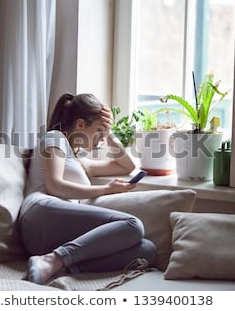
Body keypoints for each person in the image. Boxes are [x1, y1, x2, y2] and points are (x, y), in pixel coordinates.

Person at [19, 93, 156, 285]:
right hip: (40, 214)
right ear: (81, 125)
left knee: (146, 250)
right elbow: (55, 186)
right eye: (99, 131)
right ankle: (51, 260)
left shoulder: (79, 160)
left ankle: (60, 263)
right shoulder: (55, 138)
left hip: (57, 233)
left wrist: (109, 134)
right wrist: (105, 190)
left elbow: (127, 166)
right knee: (133, 225)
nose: (100, 139)